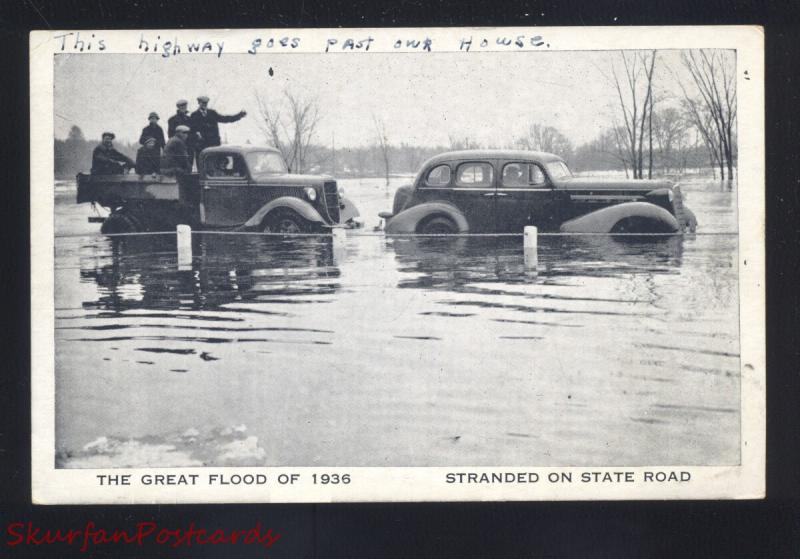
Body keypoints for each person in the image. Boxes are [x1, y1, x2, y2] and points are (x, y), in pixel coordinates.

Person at [190, 95, 246, 167]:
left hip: (214, 144)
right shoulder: (194, 115)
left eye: (206, 103)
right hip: (202, 146)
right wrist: (197, 135)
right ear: (199, 103)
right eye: (203, 103)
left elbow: (225, 119)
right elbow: (192, 130)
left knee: (216, 165)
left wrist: (239, 116)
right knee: (203, 166)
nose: (204, 105)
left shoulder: (212, 113)